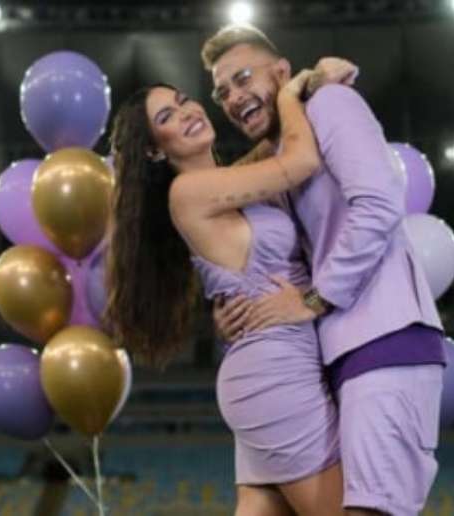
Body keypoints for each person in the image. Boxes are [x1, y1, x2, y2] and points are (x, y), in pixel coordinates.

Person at [204, 25, 446, 516]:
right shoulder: (280, 159)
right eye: (222, 91)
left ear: (283, 73)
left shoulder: (331, 104)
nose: (233, 96)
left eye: (243, 77)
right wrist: (228, 312)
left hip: (386, 339)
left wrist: (314, 299)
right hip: (331, 356)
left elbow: (379, 204)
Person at [105, 61, 356, 515]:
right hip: (276, 376)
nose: (186, 112)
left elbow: (269, 154)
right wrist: (288, 93)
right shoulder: (188, 193)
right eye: (166, 118)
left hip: (272, 367)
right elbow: (299, 160)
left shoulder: (225, 182)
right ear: (155, 152)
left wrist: (309, 86)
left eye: (182, 101)